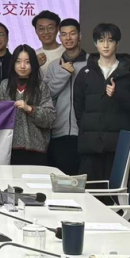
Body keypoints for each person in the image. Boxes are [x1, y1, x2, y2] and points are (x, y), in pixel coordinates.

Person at [73, 23, 130, 182]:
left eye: (110, 40)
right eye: (101, 41)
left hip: (118, 147)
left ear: (117, 43)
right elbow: (78, 108)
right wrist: (89, 129)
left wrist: (119, 94)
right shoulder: (85, 73)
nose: (106, 45)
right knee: (90, 192)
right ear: (95, 43)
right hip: (90, 146)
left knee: (117, 192)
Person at [0, 45, 56, 165]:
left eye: (27, 62)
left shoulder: (41, 86)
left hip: (36, 148)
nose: (22, 66)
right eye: (18, 62)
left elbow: (50, 118)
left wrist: (29, 109)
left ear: (33, 64)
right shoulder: (4, 86)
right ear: (13, 63)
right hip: (9, 148)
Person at [43, 18, 86, 175]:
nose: (68, 38)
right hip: (59, 131)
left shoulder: (92, 63)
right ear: (59, 37)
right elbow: (47, 95)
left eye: (72, 33)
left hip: (84, 131)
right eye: (64, 34)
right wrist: (64, 73)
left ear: (80, 36)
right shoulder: (54, 65)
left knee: (84, 179)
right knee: (61, 179)